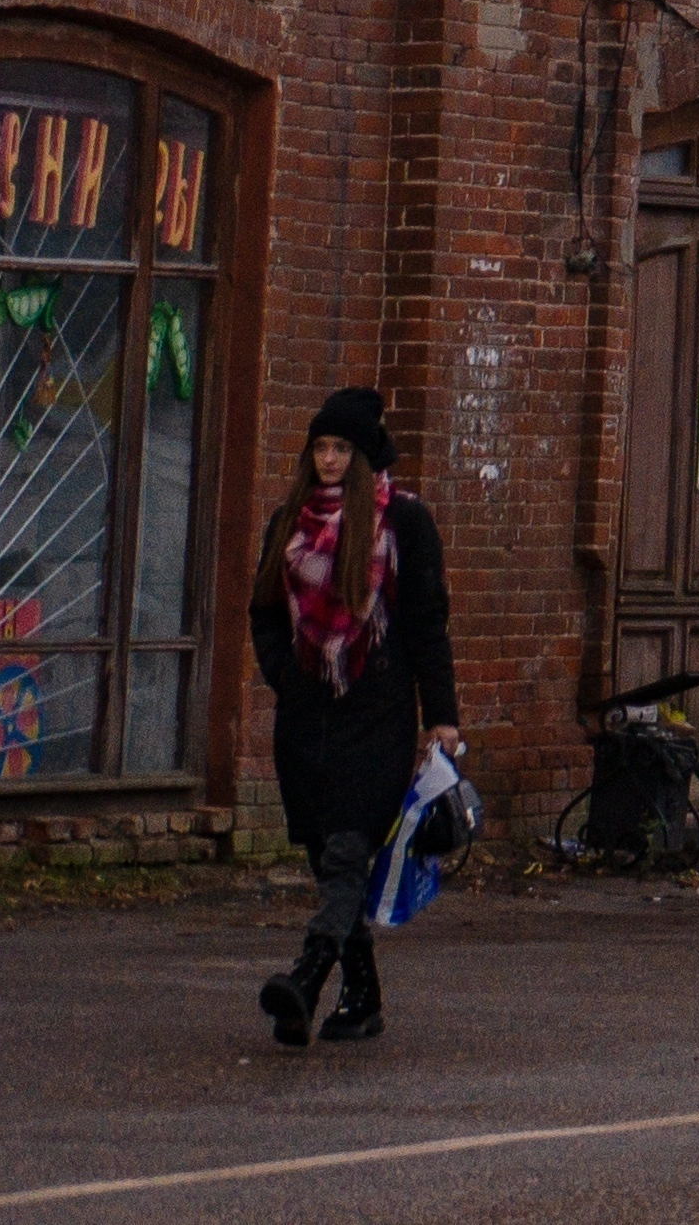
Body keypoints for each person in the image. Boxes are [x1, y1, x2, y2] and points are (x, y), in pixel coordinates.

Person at [247, 383, 458, 1049]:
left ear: (364, 455)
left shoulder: (403, 523)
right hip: (307, 714)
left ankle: (305, 980)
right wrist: (283, 672)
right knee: (326, 854)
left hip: (378, 713)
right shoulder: (288, 522)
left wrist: (442, 716)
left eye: (341, 447)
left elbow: (427, 622)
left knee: (346, 850)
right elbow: (262, 611)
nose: (330, 458)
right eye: (321, 447)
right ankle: (362, 997)